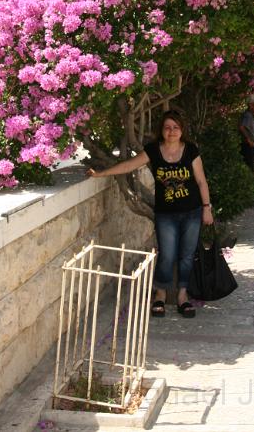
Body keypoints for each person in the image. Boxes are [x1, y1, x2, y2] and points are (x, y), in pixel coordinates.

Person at [87, 109, 214, 319]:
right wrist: (101, 174)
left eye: (175, 127)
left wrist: (207, 208)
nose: (171, 131)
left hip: (192, 212)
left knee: (186, 255)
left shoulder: (191, 150)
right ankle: (160, 294)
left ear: (182, 130)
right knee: (167, 255)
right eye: (167, 127)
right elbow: (129, 165)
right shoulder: (154, 150)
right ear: (161, 131)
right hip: (166, 214)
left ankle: (183, 296)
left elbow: (201, 181)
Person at [239, 95, 254, 205]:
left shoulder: (250, 115)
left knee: (250, 171)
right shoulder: (248, 115)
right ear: (251, 105)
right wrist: (249, 140)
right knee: (249, 171)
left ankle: (248, 198)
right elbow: (242, 127)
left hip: (250, 146)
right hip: (248, 147)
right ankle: (248, 199)